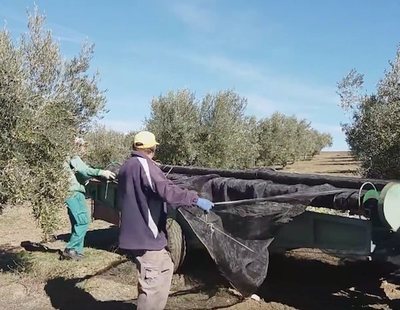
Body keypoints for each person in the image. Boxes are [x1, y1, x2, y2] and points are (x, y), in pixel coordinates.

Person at [117, 131, 213, 310]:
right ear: (152, 149)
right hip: (146, 237)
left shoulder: (126, 166)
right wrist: (195, 199)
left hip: (135, 235)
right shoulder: (144, 166)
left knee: (166, 267)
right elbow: (166, 190)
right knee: (153, 284)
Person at [61, 137, 116, 261]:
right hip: (74, 192)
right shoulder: (73, 156)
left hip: (68, 191)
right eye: (83, 146)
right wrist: (100, 172)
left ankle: (77, 252)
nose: (84, 149)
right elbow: (83, 170)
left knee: (76, 222)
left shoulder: (63, 156)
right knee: (83, 221)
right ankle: (71, 249)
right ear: (77, 146)